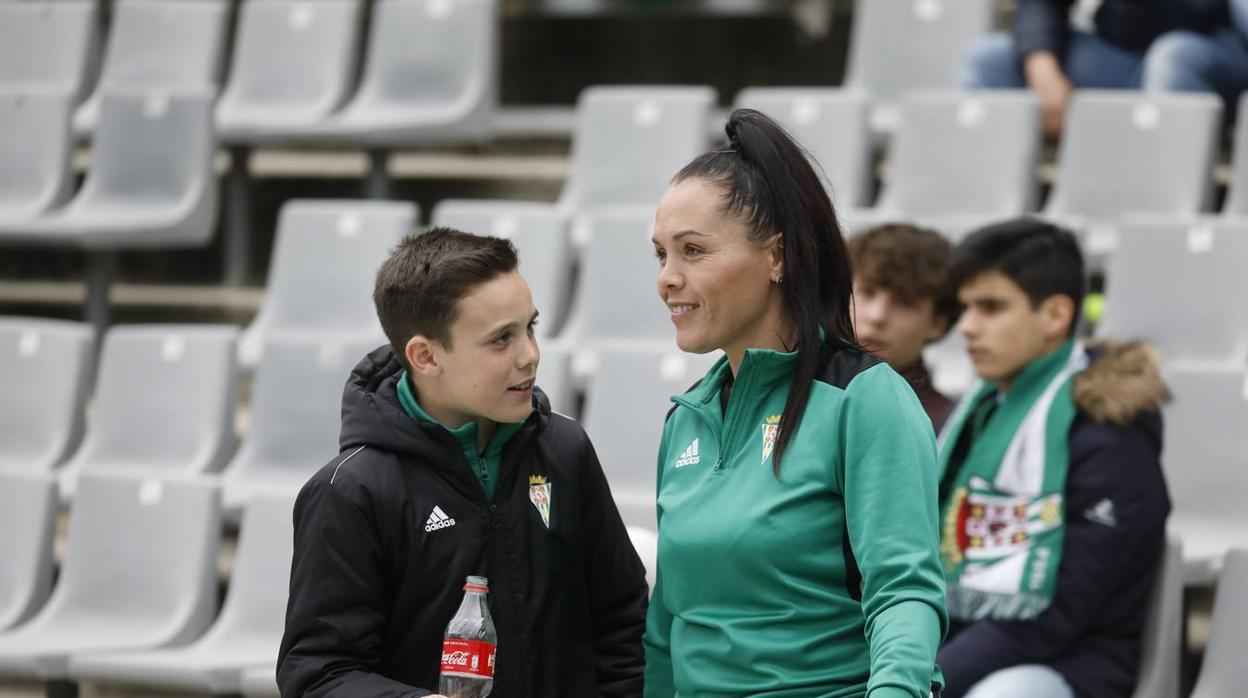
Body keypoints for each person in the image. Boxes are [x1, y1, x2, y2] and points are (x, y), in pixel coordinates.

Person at [644, 109, 948, 698]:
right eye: (661, 254)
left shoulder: (865, 398)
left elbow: (904, 593)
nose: (666, 279)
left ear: (777, 257)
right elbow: (665, 629)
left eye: (693, 251)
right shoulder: (686, 418)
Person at [277, 228, 648, 697]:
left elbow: (621, 618)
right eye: (500, 340)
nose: (529, 356)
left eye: (530, 327)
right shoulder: (351, 491)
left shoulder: (565, 449)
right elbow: (318, 674)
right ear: (427, 356)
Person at [934, 219, 1170, 698]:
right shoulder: (981, 412)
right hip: (962, 642)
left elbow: (1057, 615)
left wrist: (924, 679)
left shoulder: (1110, 433)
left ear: (1056, 315)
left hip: (1069, 663)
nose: (968, 327)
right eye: (965, 308)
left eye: (991, 307)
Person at [963, 0, 1236, 137]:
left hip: (1210, 55)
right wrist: (1041, 63)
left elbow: (1205, 10)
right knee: (990, 60)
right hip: (1120, 58)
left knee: (1173, 55)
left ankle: (1156, 191)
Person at [849, 223, 961, 432]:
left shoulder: (947, 428)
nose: (877, 316)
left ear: (937, 323)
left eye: (903, 303)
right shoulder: (799, 396)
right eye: (867, 293)